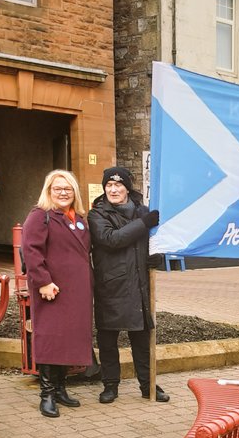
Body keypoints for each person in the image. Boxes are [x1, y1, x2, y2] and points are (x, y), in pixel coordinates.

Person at [87, 166, 168, 404]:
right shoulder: (97, 214)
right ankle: (110, 386)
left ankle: (147, 384)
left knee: (142, 340)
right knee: (108, 341)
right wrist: (143, 223)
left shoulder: (142, 212)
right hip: (110, 285)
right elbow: (112, 239)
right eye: (109, 185)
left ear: (127, 188)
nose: (113, 190)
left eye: (118, 185)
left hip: (138, 284)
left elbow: (155, 241)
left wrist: (156, 256)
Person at [21, 170, 94, 418]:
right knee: (51, 338)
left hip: (77, 290)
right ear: (49, 191)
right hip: (52, 289)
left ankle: (61, 388)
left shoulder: (79, 218)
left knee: (69, 339)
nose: (63, 193)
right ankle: (47, 394)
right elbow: (31, 251)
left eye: (68, 188)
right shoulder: (40, 215)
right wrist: (43, 282)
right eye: (58, 188)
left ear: (75, 192)